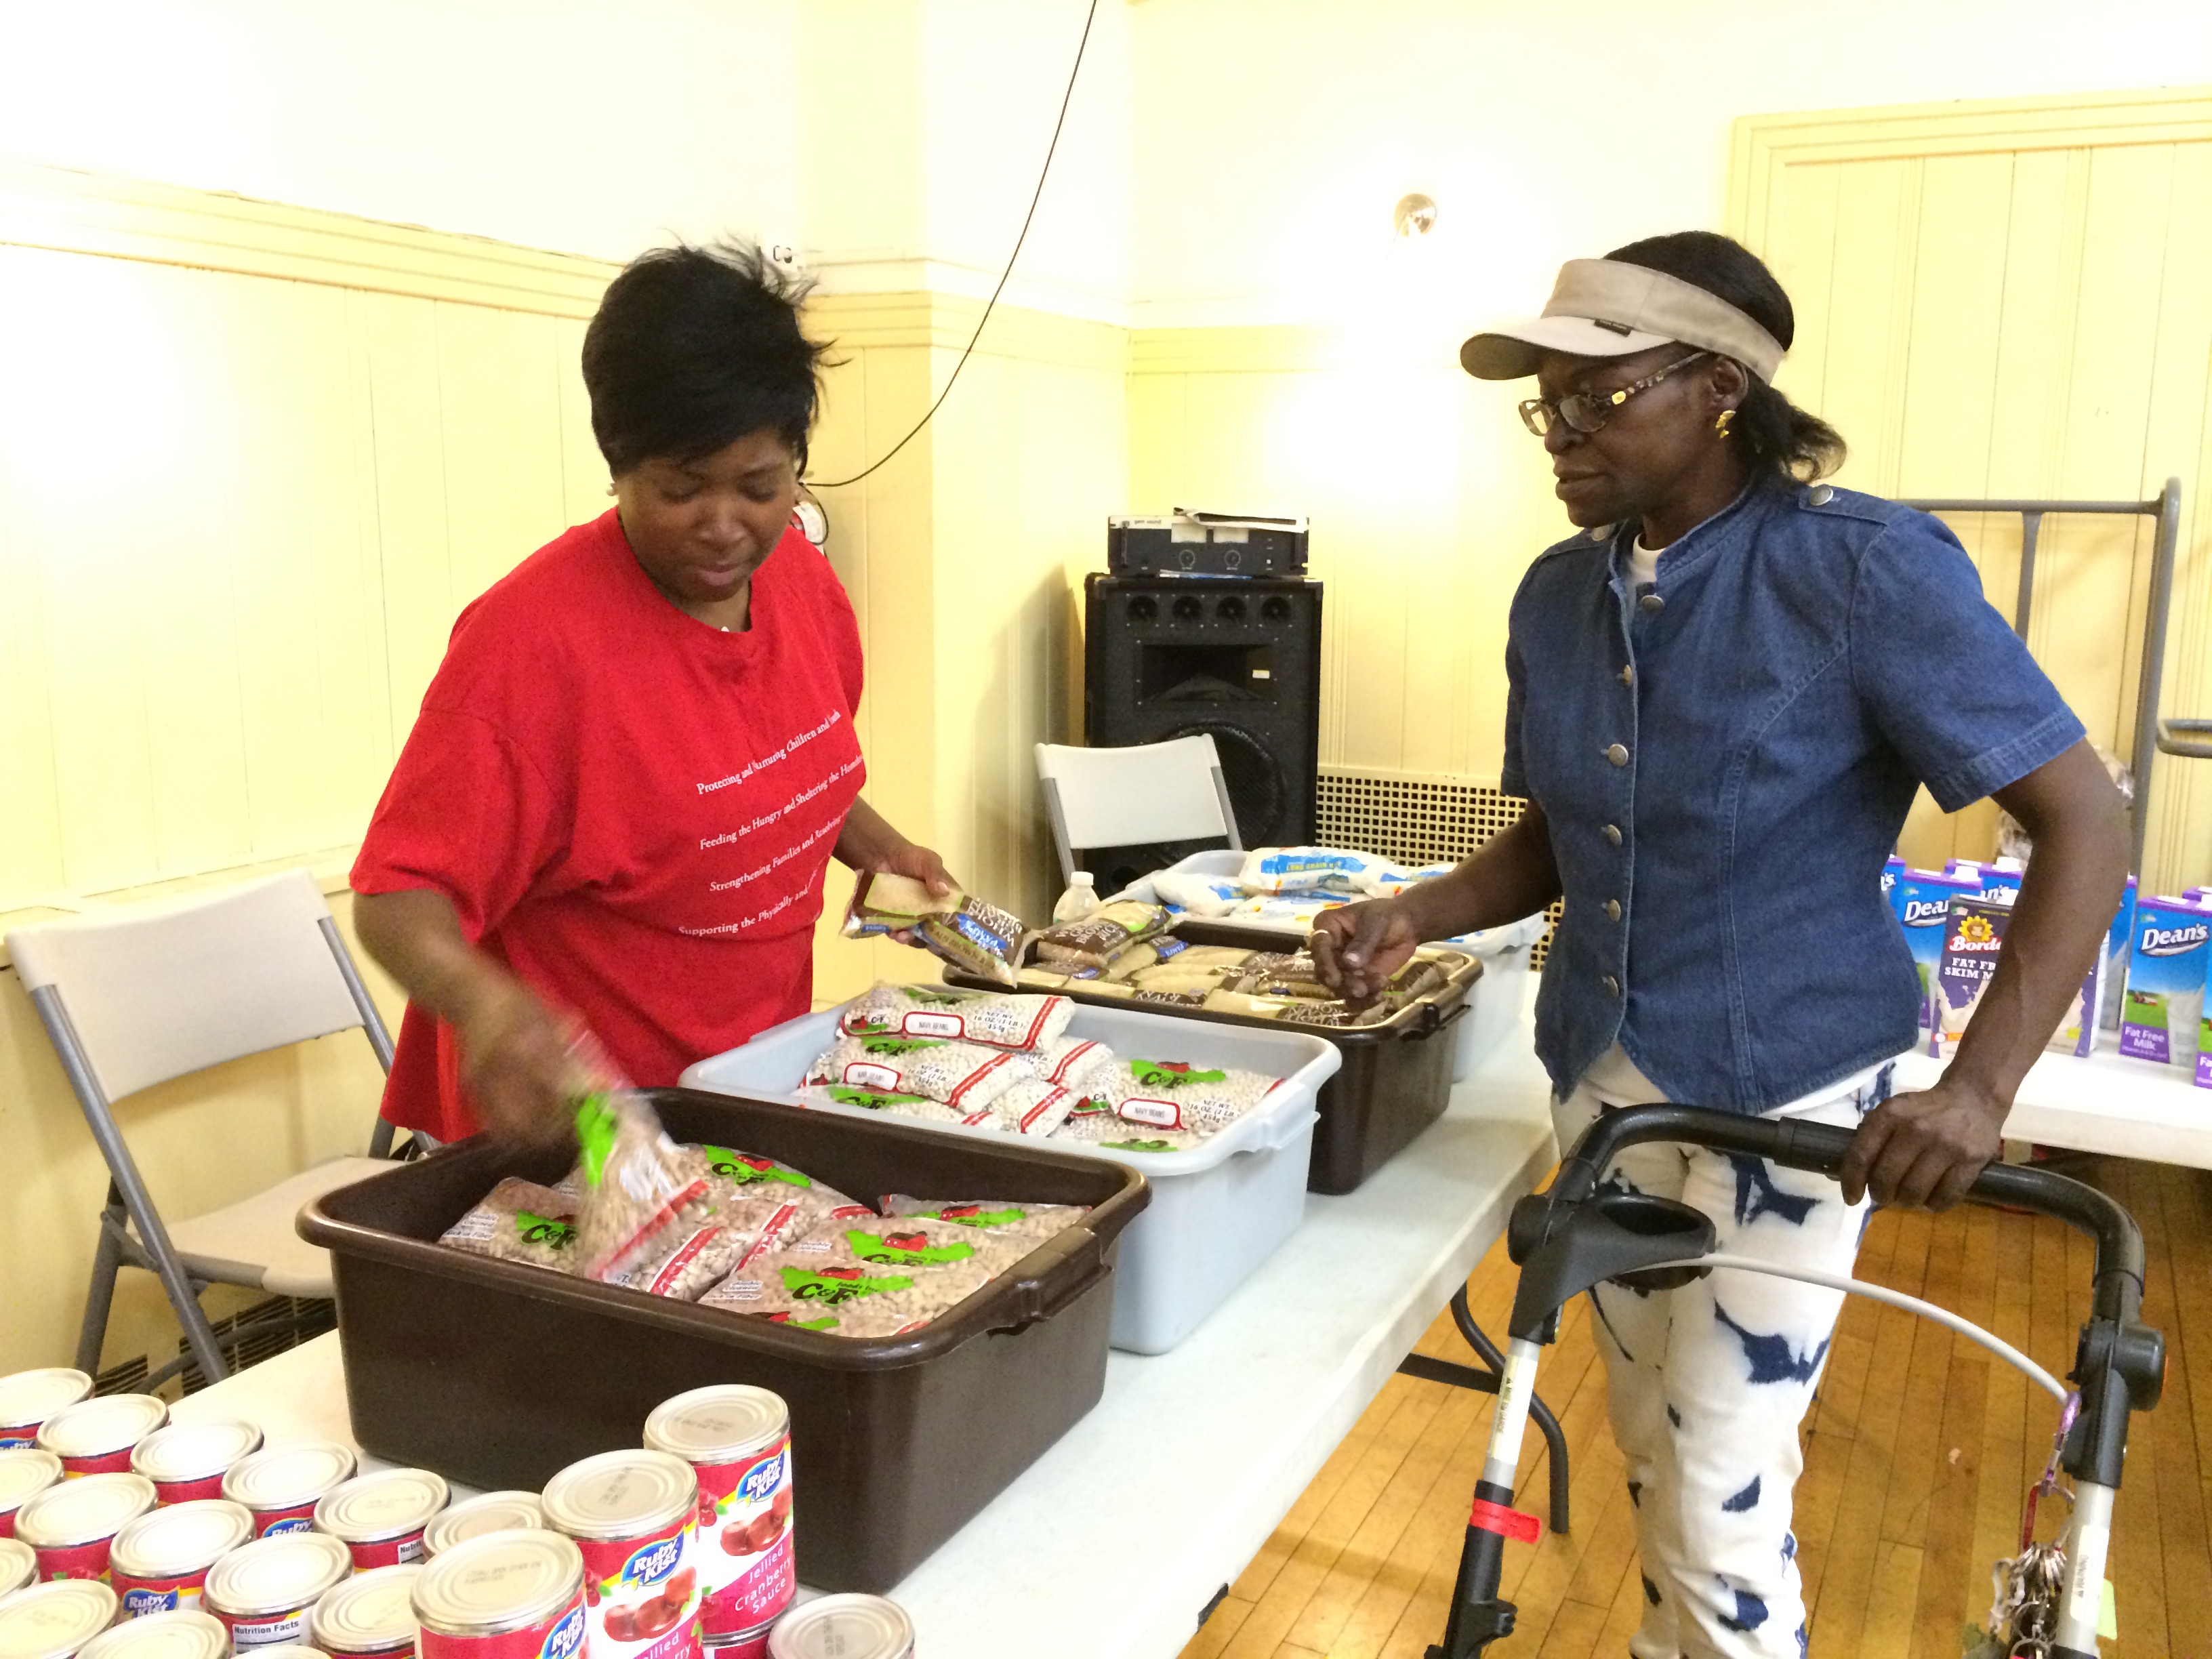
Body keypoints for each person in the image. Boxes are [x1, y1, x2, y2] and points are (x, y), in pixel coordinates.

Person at [1311, 232, 2129, 1659]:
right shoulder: (1556, 597)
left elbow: (2087, 824)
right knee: (1652, 1449)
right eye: (1544, 404)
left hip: (1796, 1095)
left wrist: (1980, 1091)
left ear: (1720, 389)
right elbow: (1559, 839)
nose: (1558, 435)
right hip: (1609, 1083)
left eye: (1599, 397)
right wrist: (1415, 910)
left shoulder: (1861, 571)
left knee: (1716, 1482)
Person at [352, 241, 951, 1144]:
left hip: (751, 1082)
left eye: (760, 486)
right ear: (618, 466)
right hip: (586, 1127)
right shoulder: (531, 645)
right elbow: (396, 898)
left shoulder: (800, 582)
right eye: (680, 489)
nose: (725, 527)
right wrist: (485, 1007)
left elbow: (779, 763)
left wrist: (880, 847)